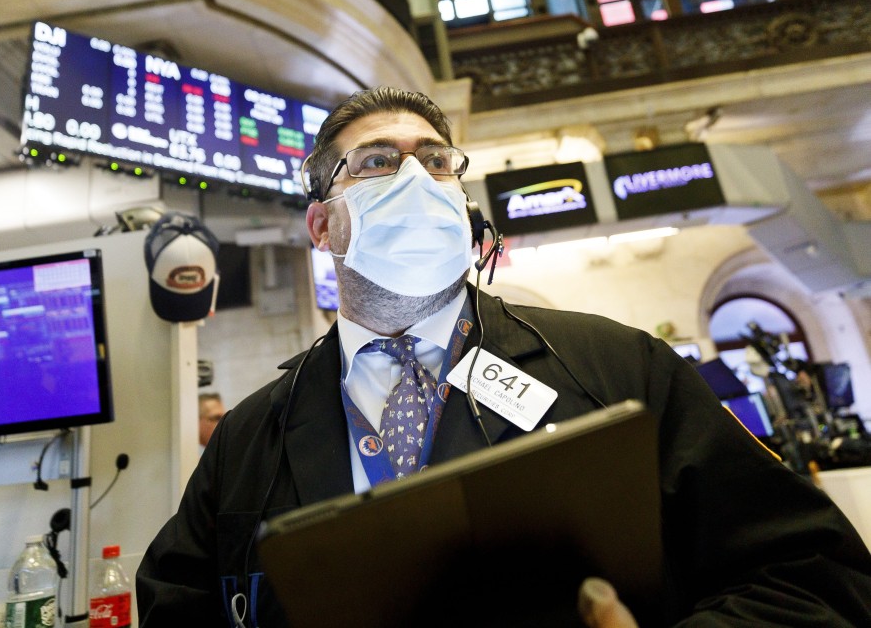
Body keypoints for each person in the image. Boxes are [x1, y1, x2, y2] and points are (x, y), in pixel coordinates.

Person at [136, 87, 871, 627]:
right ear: (322, 225)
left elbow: (815, 574)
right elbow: (177, 607)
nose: (417, 180)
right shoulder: (249, 436)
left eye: (436, 161)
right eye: (379, 162)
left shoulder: (617, 368)